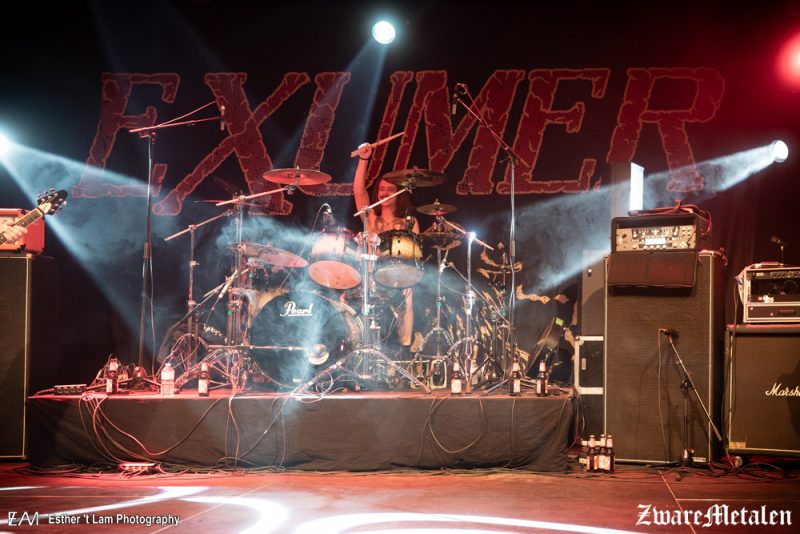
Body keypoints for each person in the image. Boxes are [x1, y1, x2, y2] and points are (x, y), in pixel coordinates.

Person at [353, 142, 419, 352]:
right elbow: (358, 192)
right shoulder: (371, 216)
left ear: (399, 193)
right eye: (381, 189)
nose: (384, 193)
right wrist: (364, 159)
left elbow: (414, 255)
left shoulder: (409, 222)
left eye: (390, 189)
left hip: (400, 275)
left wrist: (408, 277)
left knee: (409, 298)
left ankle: (404, 352)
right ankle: (366, 349)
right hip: (372, 274)